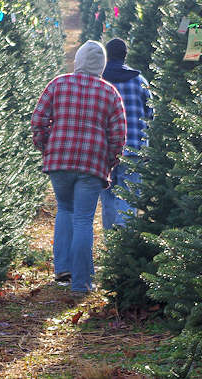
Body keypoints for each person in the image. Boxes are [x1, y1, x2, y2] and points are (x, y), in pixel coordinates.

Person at [31, 41, 126, 294]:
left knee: (64, 210)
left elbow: (38, 120)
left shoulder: (58, 84)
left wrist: (47, 148)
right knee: (84, 219)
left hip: (59, 161)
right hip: (92, 164)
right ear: (102, 65)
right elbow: (118, 136)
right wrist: (110, 161)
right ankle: (81, 283)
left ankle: (63, 269)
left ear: (78, 60)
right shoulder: (109, 92)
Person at [99, 38, 153, 229]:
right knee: (129, 196)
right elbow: (151, 115)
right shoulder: (140, 81)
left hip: (105, 151)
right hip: (134, 149)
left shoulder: (99, 81)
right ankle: (125, 239)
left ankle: (111, 241)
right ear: (125, 55)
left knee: (107, 196)